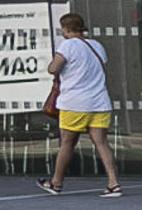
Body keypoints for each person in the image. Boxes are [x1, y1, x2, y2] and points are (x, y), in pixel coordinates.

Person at [41, 10, 122, 197]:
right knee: (102, 143)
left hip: (75, 103)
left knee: (67, 143)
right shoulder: (97, 45)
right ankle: (113, 183)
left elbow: (54, 68)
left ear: (66, 29)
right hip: (99, 101)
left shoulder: (68, 45)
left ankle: (56, 183)